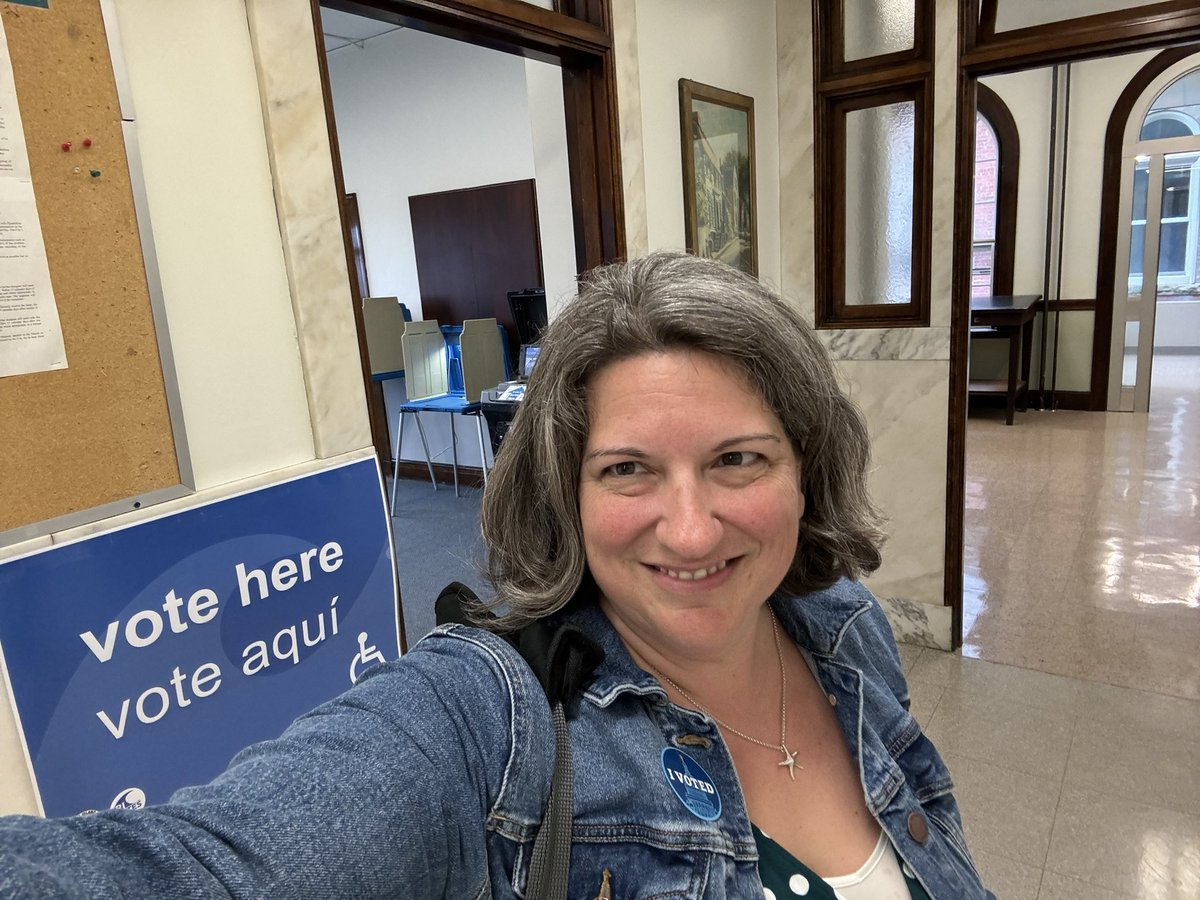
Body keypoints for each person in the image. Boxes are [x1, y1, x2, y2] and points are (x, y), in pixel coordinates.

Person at [0, 252, 992, 899]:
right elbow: (202, 872)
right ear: (564, 491)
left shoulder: (842, 625)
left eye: (738, 459)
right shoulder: (487, 720)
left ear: (805, 469)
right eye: (627, 470)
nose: (692, 529)